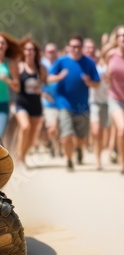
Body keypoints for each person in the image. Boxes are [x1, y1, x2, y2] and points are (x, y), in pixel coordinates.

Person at [47, 34, 100, 171]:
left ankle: (79, 149)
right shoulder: (61, 61)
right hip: (64, 103)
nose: (75, 49)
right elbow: (49, 78)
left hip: (82, 106)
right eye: (73, 46)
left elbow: (97, 84)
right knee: (67, 134)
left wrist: (89, 82)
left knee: (82, 138)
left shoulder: (89, 63)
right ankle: (69, 160)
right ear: (69, 47)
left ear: (82, 47)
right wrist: (59, 77)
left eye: (78, 46)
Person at [14, 37, 47, 167]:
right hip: (21, 103)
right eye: (27, 49)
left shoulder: (41, 68)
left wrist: (41, 88)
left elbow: (44, 83)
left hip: (36, 104)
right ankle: (19, 158)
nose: (29, 52)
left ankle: (22, 156)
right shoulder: (19, 66)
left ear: (35, 52)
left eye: (32, 49)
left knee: (32, 137)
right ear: (23, 51)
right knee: (25, 127)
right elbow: (15, 84)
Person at [83, 38, 109, 170]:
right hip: (94, 102)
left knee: (105, 132)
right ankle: (98, 161)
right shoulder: (90, 65)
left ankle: (109, 152)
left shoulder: (107, 64)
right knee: (96, 131)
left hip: (109, 101)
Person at [103, 25, 124, 174]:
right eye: (121, 36)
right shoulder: (110, 54)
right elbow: (106, 72)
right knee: (122, 129)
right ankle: (122, 162)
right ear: (116, 39)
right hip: (115, 98)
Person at [41, 43, 62, 158]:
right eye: (49, 51)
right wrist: (43, 94)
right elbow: (38, 82)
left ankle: (58, 145)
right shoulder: (42, 66)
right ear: (45, 52)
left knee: (61, 128)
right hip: (48, 102)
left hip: (62, 101)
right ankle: (55, 146)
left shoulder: (61, 64)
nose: (51, 54)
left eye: (53, 51)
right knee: (52, 128)